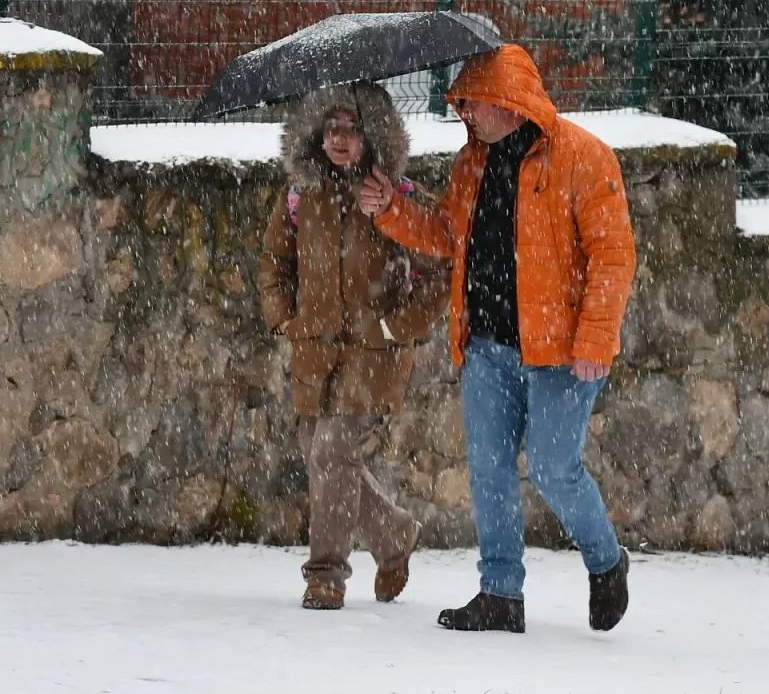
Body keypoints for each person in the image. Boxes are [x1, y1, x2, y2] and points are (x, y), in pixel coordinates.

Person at [358, 44, 638, 633]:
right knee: (488, 469)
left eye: (472, 104)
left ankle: (607, 562)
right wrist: (389, 209)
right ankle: (501, 595)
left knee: (554, 468)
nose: (465, 115)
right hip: (486, 342)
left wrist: (595, 338)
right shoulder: (471, 164)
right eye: (460, 106)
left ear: (508, 103)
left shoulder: (584, 158)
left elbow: (613, 256)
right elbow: (446, 234)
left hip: (560, 352)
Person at [259, 82, 450, 611]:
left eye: (353, 128)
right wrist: (283, 319)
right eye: (332, 128)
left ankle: (325, 575)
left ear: (375, 136)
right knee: (322, 455)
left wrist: (395, 327)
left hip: (373, 356)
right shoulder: (299, 194)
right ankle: (392, 537)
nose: (341, 139)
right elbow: (275, 262)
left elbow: (440, 271)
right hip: (314, 353)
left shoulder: (398, 198)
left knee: (332, 451)